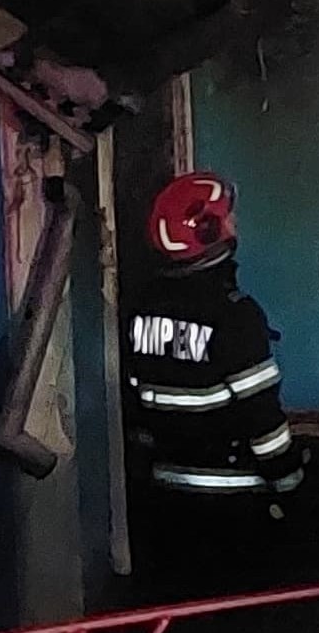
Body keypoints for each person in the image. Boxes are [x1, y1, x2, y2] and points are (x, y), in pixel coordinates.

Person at [124, 170, 301, 610]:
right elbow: (263, 421)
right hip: (234, 507)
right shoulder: (235, 317)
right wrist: (292, 486)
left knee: (183, 617)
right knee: (239, 620)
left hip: (165, 503)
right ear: (208, 232)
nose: (234, 223)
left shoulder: (142, 308)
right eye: (227, 217)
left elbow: (139, 400)